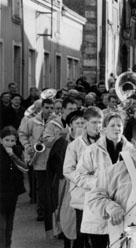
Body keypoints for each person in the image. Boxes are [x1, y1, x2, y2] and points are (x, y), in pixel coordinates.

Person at [76, 113, 134, 248]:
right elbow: (79, 176)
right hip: (99, 206)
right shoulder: (92, 150)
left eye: (119, 125)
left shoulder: (132, 151)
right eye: (112, 125)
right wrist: (99, 183)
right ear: (104, 129)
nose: (117, 129)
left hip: (122, 206)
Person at [63, 107, 103, 248]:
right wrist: (88, 182)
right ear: (85, 123)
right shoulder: (75, 145)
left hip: (103, 196)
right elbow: (68, 170)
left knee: (100, 235)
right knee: (82, 235)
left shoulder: (106, 142)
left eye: (100, 122)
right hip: (82, 197)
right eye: (93, 122)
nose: (97, 126)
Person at [44, 110, 85, 245]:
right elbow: (53, 165)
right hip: (66, 185)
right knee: (67, 217)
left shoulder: (91, 142)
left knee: (82, 219)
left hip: (84, 185)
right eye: (77, 123)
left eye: (82, 123)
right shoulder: (61, 142)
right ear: (70, 125)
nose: (80, 125)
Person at [18, 98, 55, 222]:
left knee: (52, 187)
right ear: (42, 108)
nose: (49, 110)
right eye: (47, 108)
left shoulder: (57, 122)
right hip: (38, 158)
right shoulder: (32, 121)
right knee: (41, 187)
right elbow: (22, 134)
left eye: (51, 108)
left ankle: (52, 212)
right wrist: (28, 146)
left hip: (52, 158)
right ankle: (41, 211)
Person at [0, 126, 27, 248]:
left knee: (9, 226)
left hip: (12, 194)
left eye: (12, 140)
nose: (10, 143)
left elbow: (25, 168)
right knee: (2, 227)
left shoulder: (16, 150)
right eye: (7, 140)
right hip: (1, 193)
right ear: (1, 140)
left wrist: (13, 156)